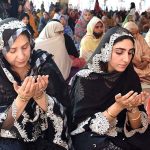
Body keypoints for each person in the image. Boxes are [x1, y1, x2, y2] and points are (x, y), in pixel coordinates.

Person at [70, 26, 150, 150]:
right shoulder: (86, 79)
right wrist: (118, 107)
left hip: (122, 134)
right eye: (119, 52)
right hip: (92, 135)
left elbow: (136, 127)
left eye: (130, 52)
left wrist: (133, 108)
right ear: (107, 50)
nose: (126, 59)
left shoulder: (130, 77)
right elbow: (81, 127)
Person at [0, 18, 70, 150]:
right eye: (12, 50)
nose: (21, 56)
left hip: (45, 133)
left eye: (25, 47)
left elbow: (63, 109)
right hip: (9, 137)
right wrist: (22, 99)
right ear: (2, 50)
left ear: (31, 43)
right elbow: (5, 125)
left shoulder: (43, 64)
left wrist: (40, 97)